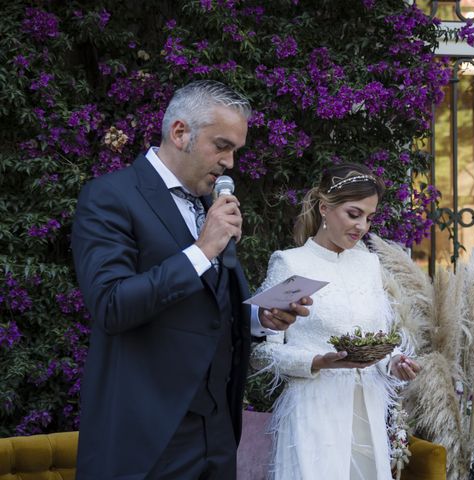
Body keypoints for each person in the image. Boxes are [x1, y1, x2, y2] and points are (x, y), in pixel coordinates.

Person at [71, 80, 311, 480]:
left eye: (235, 150)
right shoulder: (110, 196)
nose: (230, 163)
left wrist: (260, 317)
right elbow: (111, 305)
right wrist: (201, 250)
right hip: (146, 436)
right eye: (222, 146)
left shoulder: (207, 203)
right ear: (180, 133)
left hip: (216, 432)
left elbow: (211, 307)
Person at [251, 163, 421, 480]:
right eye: (354, 214)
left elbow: (376, 343)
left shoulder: (369, 265)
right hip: (314, 413)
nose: (362, 227)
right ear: (325, 208)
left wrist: (395, 362)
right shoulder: (291, 263)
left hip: (368, 412)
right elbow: (263, 352)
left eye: (369, 218)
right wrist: (317, 361)